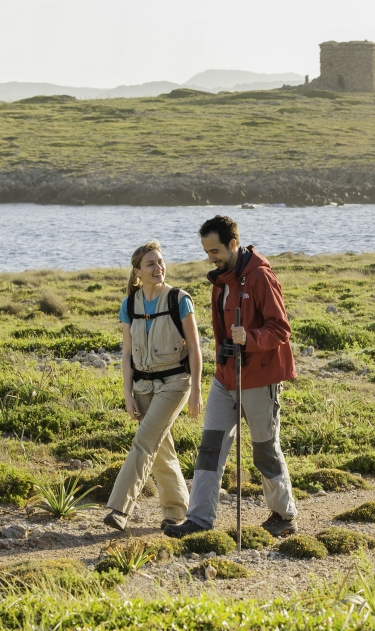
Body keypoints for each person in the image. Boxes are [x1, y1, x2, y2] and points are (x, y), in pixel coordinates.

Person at [165, 215, 299, 538]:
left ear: (233, 244)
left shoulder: (260, 277)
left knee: (265, 449)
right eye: (207, 252)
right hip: (227, 376)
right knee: (210, 446)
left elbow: (281, 329)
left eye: (215, 251)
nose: (210, 258)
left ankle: (285, 515)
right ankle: (199, 520)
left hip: (260, 378)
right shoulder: (222, 279)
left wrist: (248, 339)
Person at [103, 241, 203, 531]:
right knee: (161, 449)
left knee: (144, 442)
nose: (158, 267)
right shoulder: (129, 305)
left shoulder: (178, 299)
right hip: (143, 387)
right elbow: (125, 354)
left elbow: (195, 348)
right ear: (137, 271)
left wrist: (196, 390)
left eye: (160, 262)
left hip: (175, 383)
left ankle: (120, 508)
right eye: (151, 264)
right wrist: (127, 394)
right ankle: (177, 511)